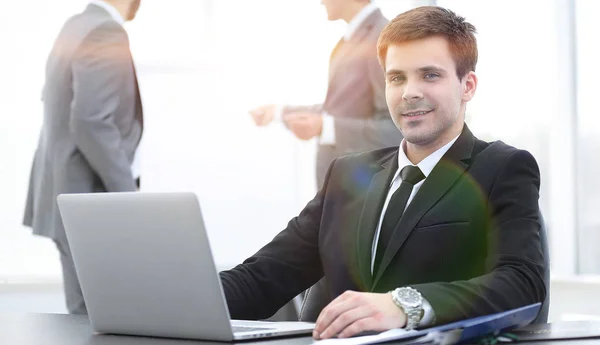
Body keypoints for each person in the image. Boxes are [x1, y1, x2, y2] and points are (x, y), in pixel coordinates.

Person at [221, 6, 546, 339]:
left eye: (430, 75)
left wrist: (404, 305)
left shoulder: (502, 167)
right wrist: (179, 297)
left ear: (468, 86)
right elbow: (263, 277)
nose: (409, 92)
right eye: (396, 78)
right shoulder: (347, 174)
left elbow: (523, 283)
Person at [23, 0, 143, 314]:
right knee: (104, 318)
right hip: (91, 200)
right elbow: (92, 121)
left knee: (86, 316)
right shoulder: (105, 31)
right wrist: (130, 198)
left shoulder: (76, 25)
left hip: (65, 193)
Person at [249, 0, 401, 188]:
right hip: (339, 190)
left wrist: (327, 127)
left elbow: (396, 128)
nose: (320, 1)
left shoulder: (380, 38)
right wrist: (279, 113)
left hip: (359, 193)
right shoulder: (354, 36)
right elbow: (339, 107)